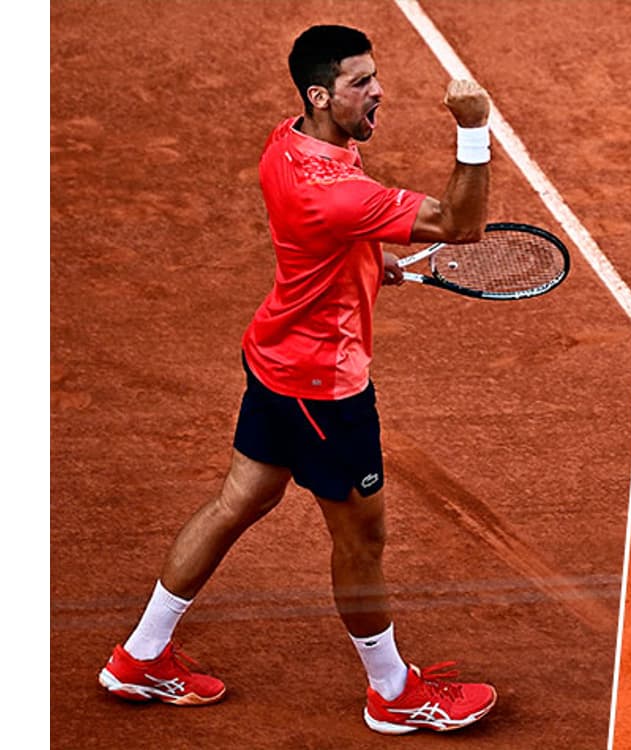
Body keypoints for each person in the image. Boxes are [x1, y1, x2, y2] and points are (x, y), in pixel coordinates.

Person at [98, 24, 498, 735]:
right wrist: (474, 131)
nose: (378, 92)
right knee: (361, 541)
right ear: (320, 94)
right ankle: (392, 694)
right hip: (325, 390)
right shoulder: (341, 194)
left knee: (238, 500)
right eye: (359, 83)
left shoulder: (286, 146)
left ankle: (140, 655)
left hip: (274, 360)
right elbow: (460, 225)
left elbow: (328, 241)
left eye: (374, 76)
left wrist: (373, 264)